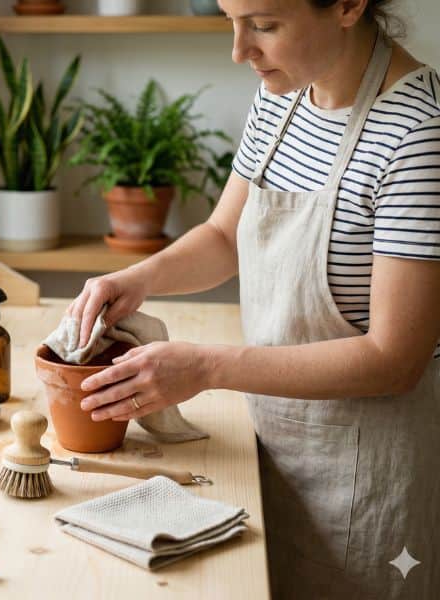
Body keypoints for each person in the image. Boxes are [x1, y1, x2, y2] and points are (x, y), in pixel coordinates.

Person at [67, 1, 440, 598]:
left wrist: (207, 366)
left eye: (264, 25)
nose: (239, 51)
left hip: (367, 479)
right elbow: (223, 236)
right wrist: (136, 278)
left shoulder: (418, 133)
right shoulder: (285, 94)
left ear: (347, 5)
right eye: (229, 19)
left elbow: (394, 359)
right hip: (272, 450)